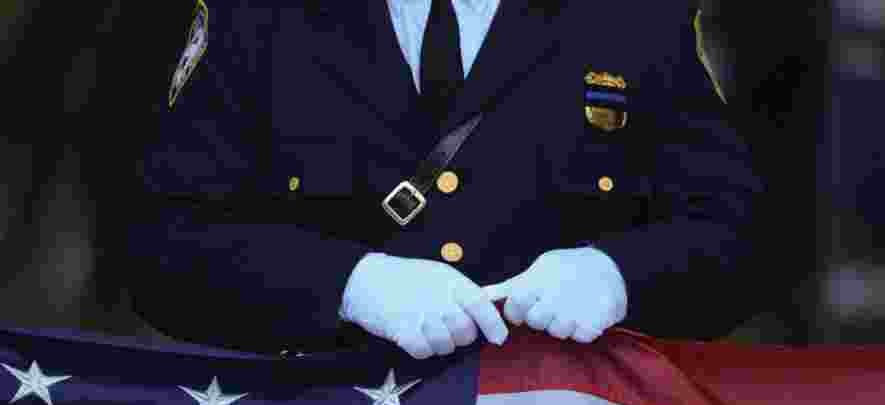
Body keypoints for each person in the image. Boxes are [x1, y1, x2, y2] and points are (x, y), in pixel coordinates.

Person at [125, 0, 771, 360]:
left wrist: (620, 274)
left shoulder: (632, 17)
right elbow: (163, 246)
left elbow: (742, 240)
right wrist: (347, 285)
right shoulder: (259, 16)